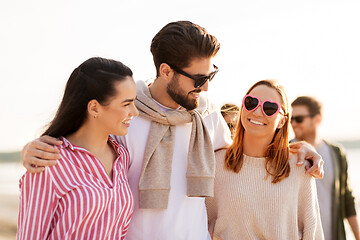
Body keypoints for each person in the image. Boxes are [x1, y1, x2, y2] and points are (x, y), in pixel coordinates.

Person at [21, 21, 324, 240]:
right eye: (197, 78)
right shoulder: (125, 117)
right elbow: (80, 151)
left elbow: (245, 159)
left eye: (211, 75)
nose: (205, 86)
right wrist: (32, 149)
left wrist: (300, 146)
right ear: (166, 71)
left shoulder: (207, 117)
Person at [17, 57, 139, 239]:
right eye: (126, 104)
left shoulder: (122, 157)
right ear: (94, 108)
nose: (135, 112)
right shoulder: (49, 162)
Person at [206, 80, 324, 239]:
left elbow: (312, 232)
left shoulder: (299, 166)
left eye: (269, 108)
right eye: (251, 102)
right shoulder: (216, 163)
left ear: (283, 120)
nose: (257, 112)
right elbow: (201, 227)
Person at [291, 96, 360, 240]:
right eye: (291, 119)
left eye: (298, 119)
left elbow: (347, 199)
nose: (293, 124)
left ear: (317, 119)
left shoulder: (336, 153)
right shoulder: (286, 153)